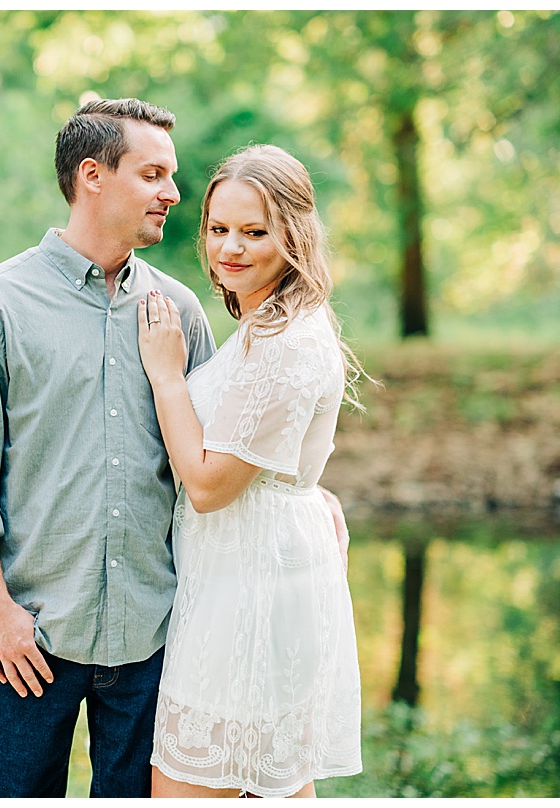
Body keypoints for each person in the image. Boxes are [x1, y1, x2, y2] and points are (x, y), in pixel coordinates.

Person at [0, 97, 215, 797]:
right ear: (92, 176)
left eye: (171, 176)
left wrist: (308, 498)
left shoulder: (180, 311)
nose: (173, 194)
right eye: (153, 175)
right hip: (29, 642)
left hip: (154, 639)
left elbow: (213, 467)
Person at [137, 144, 363, 798]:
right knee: (267, 783)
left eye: (254, 232)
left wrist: (166, 376)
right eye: (218, 229)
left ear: (293, 232)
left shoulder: (285, 343)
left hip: (251, 584)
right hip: (245, 569)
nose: (229, 248)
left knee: (191, 783)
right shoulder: (270, 320)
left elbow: (207, 486)